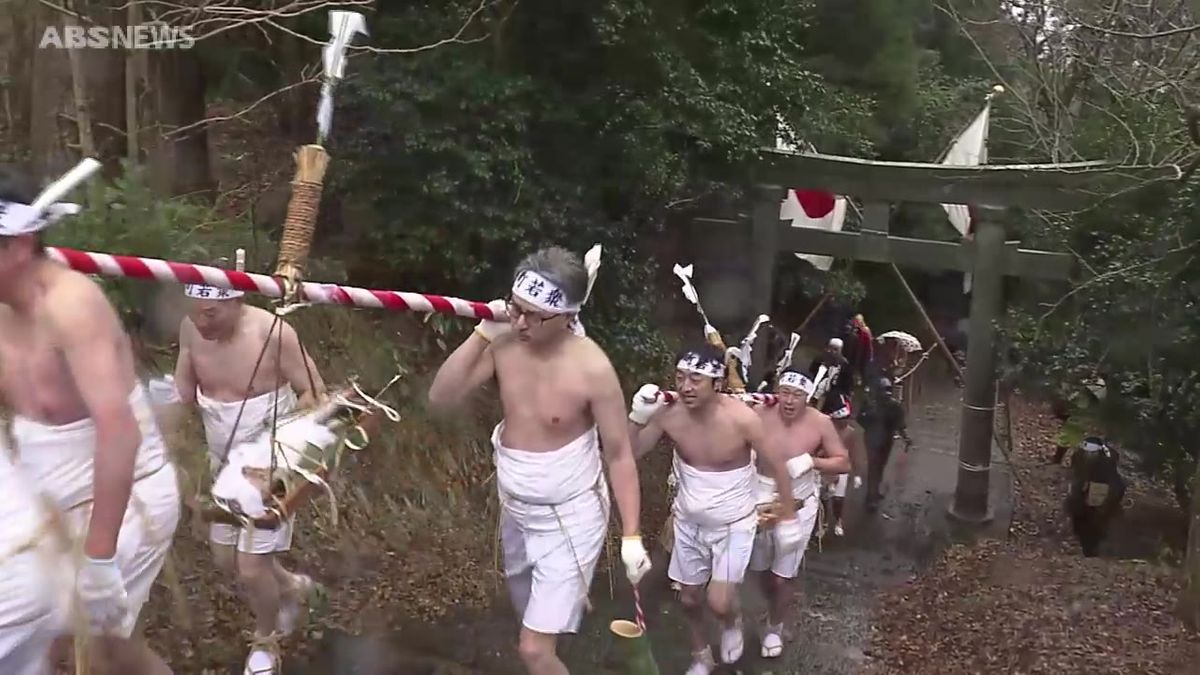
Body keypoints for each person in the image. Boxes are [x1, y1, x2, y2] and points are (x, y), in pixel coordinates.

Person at [428, 247, 649, 675]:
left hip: (572, 515)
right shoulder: (505, 340)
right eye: (516, 309)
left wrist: (633, 535)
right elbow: (441, 399)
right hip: (517, 507)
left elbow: (619, 452)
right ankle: (563, 600)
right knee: (525, 613)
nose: (520, 322)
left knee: (533, 650)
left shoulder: (593, 369)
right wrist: (482, 334)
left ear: (567, 317)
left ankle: (565, 593)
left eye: (534, 316)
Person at [0, 164, 179, 673]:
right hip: (42, 496)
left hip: (125, 493)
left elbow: (118, 431)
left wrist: (99, 563)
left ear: (16, 246)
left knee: (77, 646)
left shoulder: (72, 305)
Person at [173, 281, 326, 674]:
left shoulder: (273, 333)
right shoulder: (191, 328)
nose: (202, 321)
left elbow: (314, 394)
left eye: (211, 313)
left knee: (251, 567)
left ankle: (266, 641)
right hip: (221, 463)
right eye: (194, 310)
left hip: (272, 466)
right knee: (226, 558)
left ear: (237, 299)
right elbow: (185, 390)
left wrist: (287, 458)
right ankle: (291, 587)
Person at [629, 345, 805, 675]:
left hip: (733, 524)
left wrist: (788, 515)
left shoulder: (742, 418)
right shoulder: (669, 413)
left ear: (718, 382)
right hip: (689, 522)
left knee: (719, 600)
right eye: (680, 377)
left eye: (696, 379)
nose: (685, 386)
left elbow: (777, 464)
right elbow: (631, 451)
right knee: (690, 600)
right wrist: (637, 419)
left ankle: (731, 621)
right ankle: (700, 655)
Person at [746, 370, 849, 659]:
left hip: (799, 500)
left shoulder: (821, 422)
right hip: (760, 494)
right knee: (758, 569)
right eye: (785, 392)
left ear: (809, 396)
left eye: (798, 395)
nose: (789, 400)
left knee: (783, 575)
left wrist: (811, 461)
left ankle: (775, 627)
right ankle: (769, 609)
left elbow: (844, 462)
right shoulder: (758, 412)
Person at [1064, 436, 1126, 557]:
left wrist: (1106, 503)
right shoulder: (1077, 456)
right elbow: (1075, 475)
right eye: (1086, 453)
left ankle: (1095, 547)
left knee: (1097, 522)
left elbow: (1116, 485)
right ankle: (1082, 540)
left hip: (1102, 493)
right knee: (1079, 517)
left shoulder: (1108, 461)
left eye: (1092, 454)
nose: (1088, 456)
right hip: (1083, 491)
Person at [858, 376, 911, 512]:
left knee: (881, 466)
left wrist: (906, 438)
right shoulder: (870, 404)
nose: (886, 393)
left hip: (887, 440)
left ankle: (875, 491)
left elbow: (901, 424)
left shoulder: (894, 405)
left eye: (888, 390)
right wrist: (869, 426)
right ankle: (871, 498)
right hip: (872, 439)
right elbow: (860, 418)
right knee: (874, 467)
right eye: (883, 390)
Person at [821, 393, 865, 537]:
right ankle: (824, 522)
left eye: (846, 419)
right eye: (841, 419)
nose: (844, 422)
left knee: (838, 499)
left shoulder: (850, 433)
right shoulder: (825, 431)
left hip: (841, 470)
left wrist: (857, 474)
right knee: (824, 498)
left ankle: (838, 521)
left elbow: (855, 453)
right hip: (825, 468)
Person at [808, 337, 852, 413]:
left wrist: (845, 393)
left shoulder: (844, 364)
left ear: (840, 351)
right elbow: (811, 371)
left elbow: (847, 382)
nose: (832, 351)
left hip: (832, 393)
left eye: (836, 350)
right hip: (816, 388)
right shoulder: (820, 358)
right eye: (831, 348)